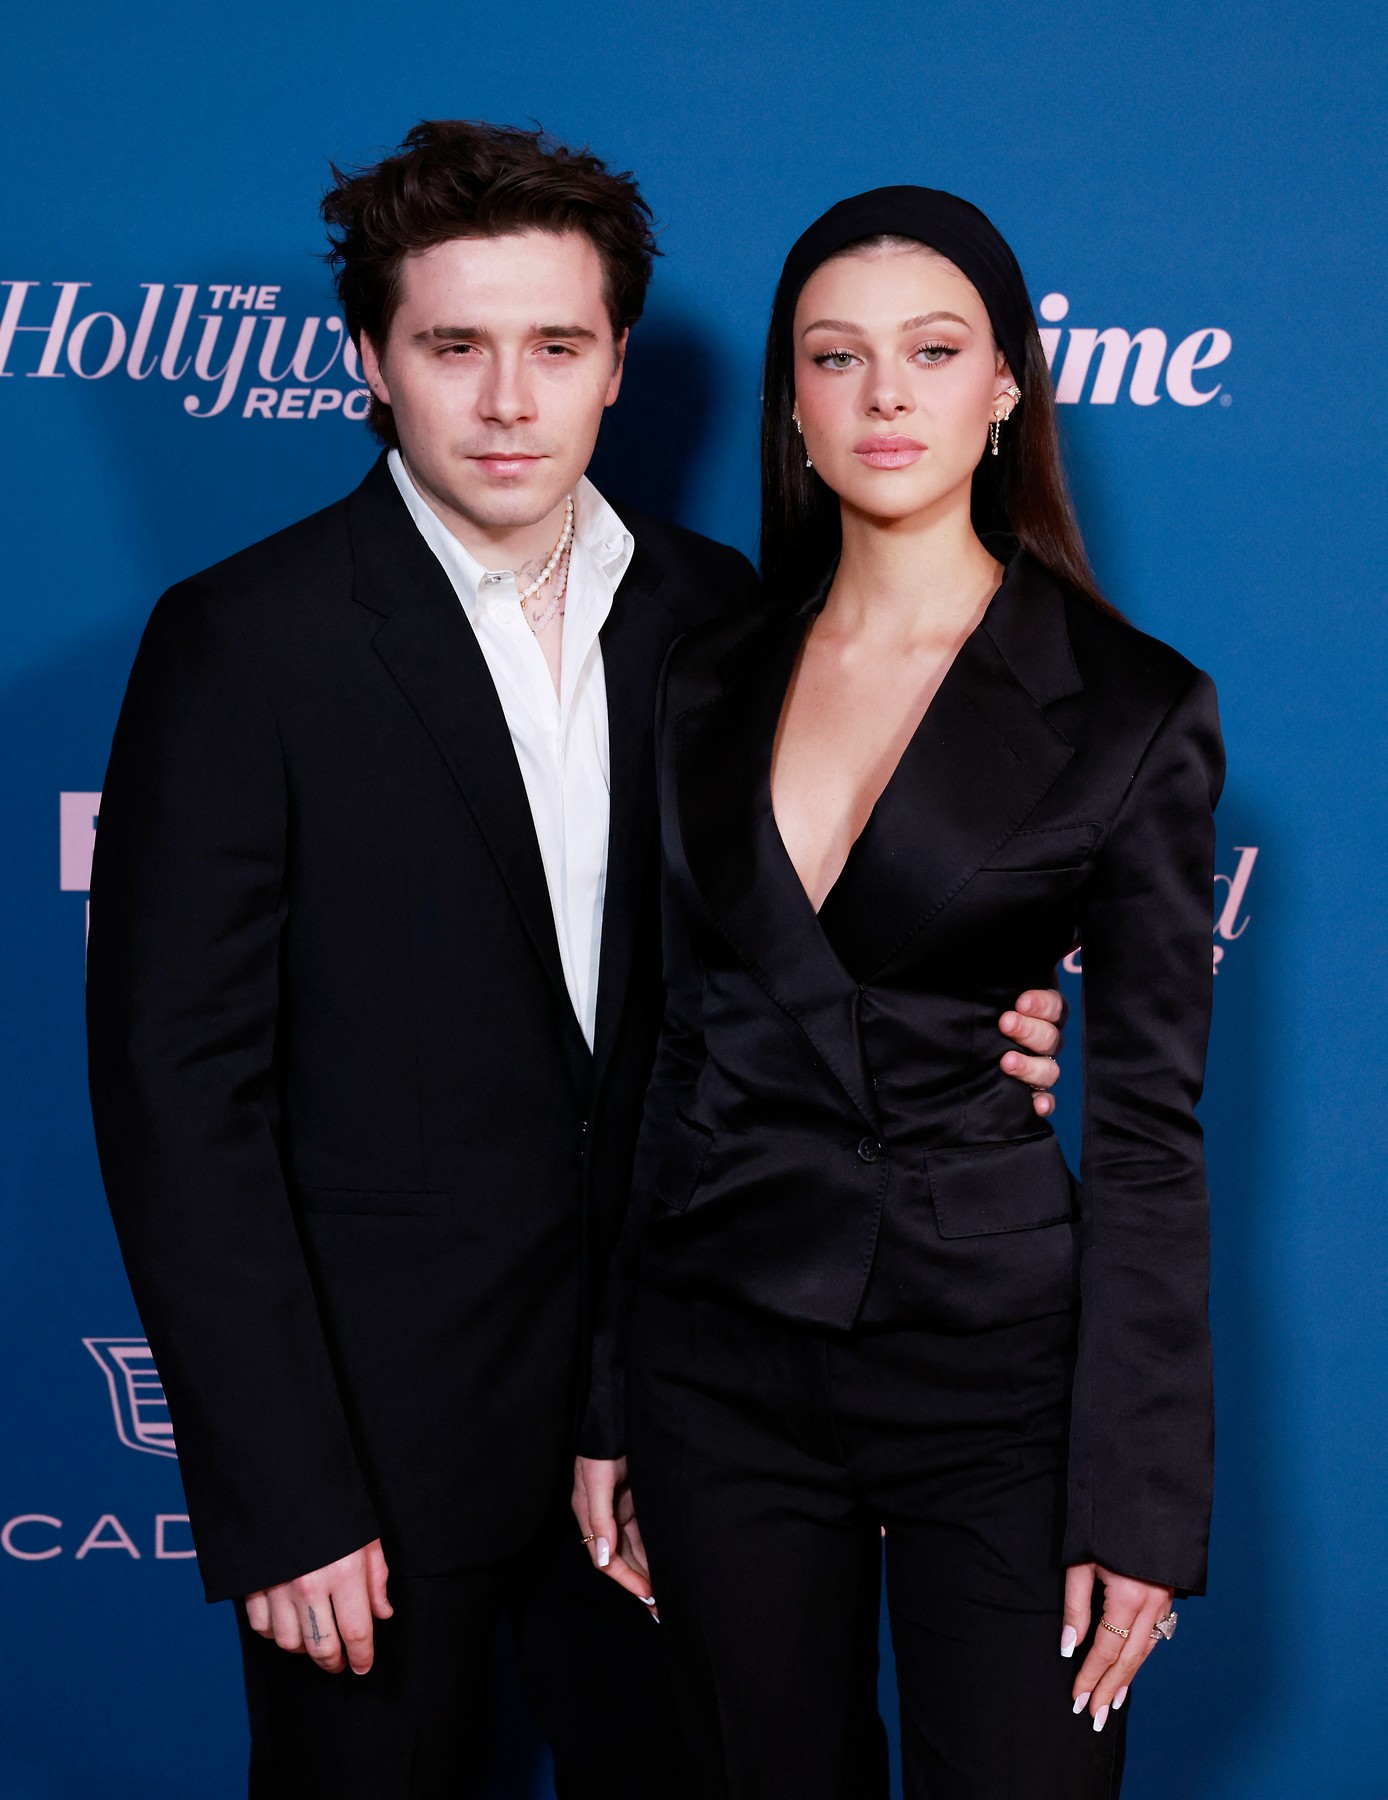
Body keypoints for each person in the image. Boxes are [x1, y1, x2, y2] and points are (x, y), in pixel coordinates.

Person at [85, 129, 1066, 1797]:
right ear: (369, 363)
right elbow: (176, 1097)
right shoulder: (244, 640)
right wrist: (279, 1487)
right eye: (452, 346)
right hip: (375, 1449)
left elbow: (785, 968)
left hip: (697, 1415)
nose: (505, 401)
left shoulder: (719, 610)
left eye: (554, 345)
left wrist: (979, 1019)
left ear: (617, 362)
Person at [575, 186, 1222, 1800]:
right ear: (792, 401)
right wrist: (611, 1396)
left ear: (1005, 387)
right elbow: (661, 1051)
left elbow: (1149, 1135)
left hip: (993, 1372)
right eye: (835, 356)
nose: (884, 396)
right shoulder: (702, 671)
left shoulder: (1130, 707)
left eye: (932, 352)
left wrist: (1139, 1503)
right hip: (716, 1357)